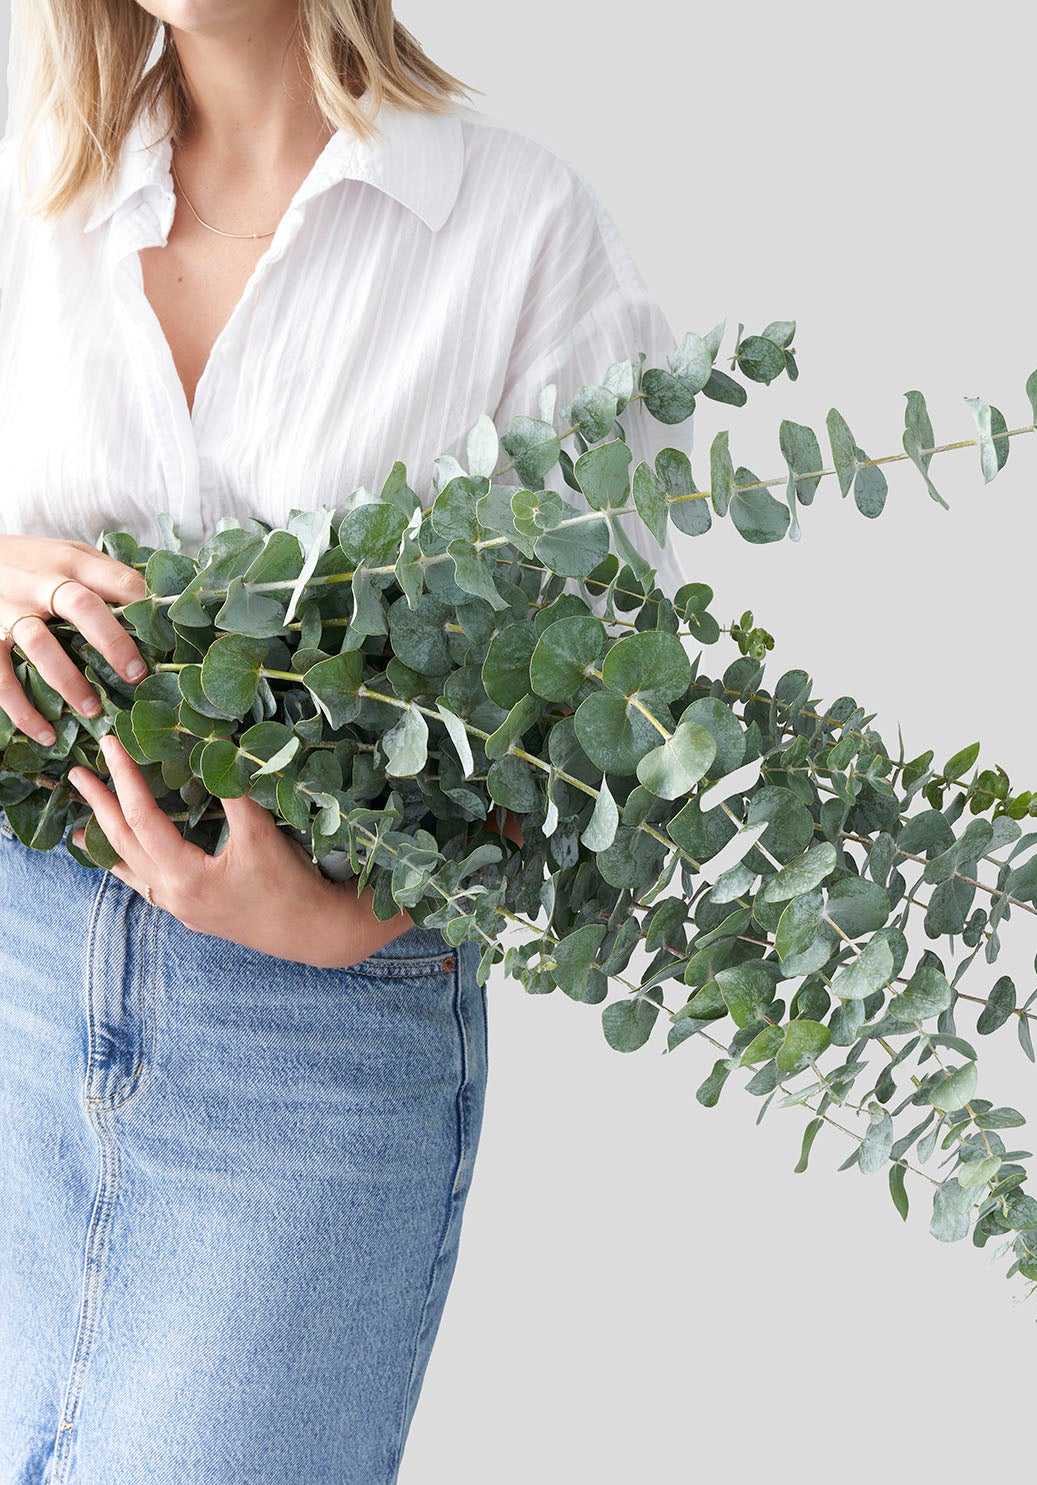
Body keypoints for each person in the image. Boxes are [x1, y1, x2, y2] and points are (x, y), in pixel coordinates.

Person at [0, 2, 691, 1480]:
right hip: (13, 969)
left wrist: (360, 910)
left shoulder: (515, 232)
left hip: (311, 1042)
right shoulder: (29, 196)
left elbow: (617, 712)